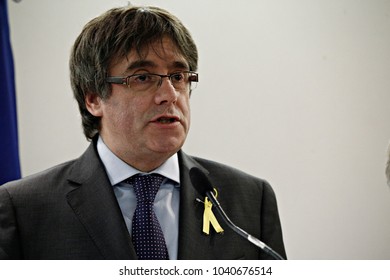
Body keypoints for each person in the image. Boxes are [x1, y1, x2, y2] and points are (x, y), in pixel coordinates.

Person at [0, 5, 286, 260]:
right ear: (93, 98)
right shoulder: (23, 208)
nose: (169, 94)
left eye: (178, 77)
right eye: (143, 78)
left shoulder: (249, 199)